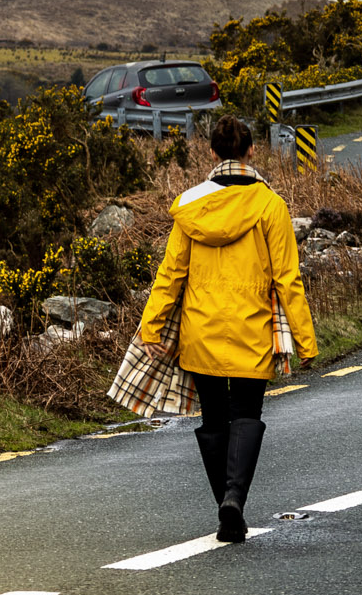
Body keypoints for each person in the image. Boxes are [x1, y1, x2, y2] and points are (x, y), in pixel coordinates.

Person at [135, 115, 317, 542]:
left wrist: (152, 327)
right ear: (251, 151)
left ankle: (226, 505)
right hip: (253, 331)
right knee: (247, 415)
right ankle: (234, 498)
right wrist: (306, 341)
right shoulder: (270, 205)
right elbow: (287, 278)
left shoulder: (190, 204)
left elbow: (171, 274)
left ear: (212, 153)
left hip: (201, 332)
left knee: (215, 419)